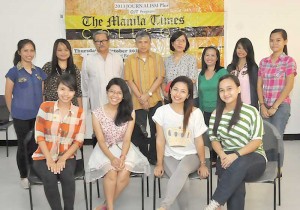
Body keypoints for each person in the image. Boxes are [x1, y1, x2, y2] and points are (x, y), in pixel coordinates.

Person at [86, 78, 150, 210]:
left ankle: (105, 205)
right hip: (105, 149)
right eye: (112, 92)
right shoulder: (96, 113)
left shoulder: (129, 112)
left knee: (123, 174)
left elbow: (127, 139)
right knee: (111, 173)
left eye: (119, 93)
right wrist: (112, 158)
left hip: (124, 148)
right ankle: (110, 208)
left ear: (124, 95)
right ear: (107, 92)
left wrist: (122, 157)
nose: (115, 96)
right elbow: (101, 141)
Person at [205, 74, 266, 210]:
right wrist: (222, 154)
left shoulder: (251, 111)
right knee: (235, 180)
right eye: (221, 90)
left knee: (238, 165)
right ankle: (217, 203)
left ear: (238, 89)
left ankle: (216, 202)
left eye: (229, 89)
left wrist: (236, 155)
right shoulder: (216, 114)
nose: (225, 93)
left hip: (254, 157)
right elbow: (214, 139)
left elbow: (256, 141)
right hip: (226, 157)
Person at [153, 76, 209, 210]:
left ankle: (163, 206)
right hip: (169, 156)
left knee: (182, 171)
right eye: (175, 89)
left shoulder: (196, 113)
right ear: (170, 90)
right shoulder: (161, 111)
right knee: (183, 183)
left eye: (183, 91)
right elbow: (160, 140)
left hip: (190, 156)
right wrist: (159, 163)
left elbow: (199, 140)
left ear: (188, 95)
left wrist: (203, 164)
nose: (178, 94)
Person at [32, 74, 85, 210]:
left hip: (67, 155)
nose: (66, 94)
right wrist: (49, 159)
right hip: (43, 155)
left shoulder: (80, 113)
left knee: (68, 178)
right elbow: (39, 136)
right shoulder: (45, 107)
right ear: (56, 89)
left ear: (74, 92)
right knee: (49, 179)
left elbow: (78, 141)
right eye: (62, 89)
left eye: (70, 90)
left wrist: (62, 159)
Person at [5, 39, 47, 189]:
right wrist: (13, 111)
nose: (29, 54)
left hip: (37, 116)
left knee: (35, 145)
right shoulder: (14, 71)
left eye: (31, 50)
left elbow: (42, 94)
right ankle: (24, 175)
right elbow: (8, 94)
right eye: (25, 51)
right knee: (23, 146)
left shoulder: (39, 71)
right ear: (19, 52)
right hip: (20, 116)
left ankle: (34, 172)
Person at [124, 30, 165, 165]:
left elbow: (160, 78)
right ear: (135, 43)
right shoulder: (130, 59)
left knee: (156, 130)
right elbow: (129, 80)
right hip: (137, 101)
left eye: (145, 42)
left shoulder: (157, 58)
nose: (143, 45)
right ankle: (142, 157)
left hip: (155, 100)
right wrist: (141, 98)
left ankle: (153, 157)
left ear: (150, 43)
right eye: (140, 42)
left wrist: (148, 95)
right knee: (139, 131)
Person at [257, 29, 297, 140]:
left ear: (285, 41)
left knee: (276, 138)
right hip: (265, 106)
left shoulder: (289, 61)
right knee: (265, 139)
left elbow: (289, 85)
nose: (274, 43)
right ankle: (267, 159)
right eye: (271, 40)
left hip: (281, 105)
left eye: (278, 40)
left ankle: (277, 158)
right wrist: (262, 105)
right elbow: (259, 85)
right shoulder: (263, 62)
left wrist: (275, 106)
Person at [81, 30, 124, 111]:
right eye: (98, 41)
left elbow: (122, 79)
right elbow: (85, 82)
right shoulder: (88, 60)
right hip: (96, 103)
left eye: (104, 40)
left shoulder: (118, 58)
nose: (101, 43)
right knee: (96, 123)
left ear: (108, 41)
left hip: (116, 103)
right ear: (94, 43)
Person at [162, 31, 198, 106]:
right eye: (177, 40)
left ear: (186, 44)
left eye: (183, 41)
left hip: (188, 98)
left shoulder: (191, 59)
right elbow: (164, 80)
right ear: (172, 43)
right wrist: (164, 92)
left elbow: (193, 79)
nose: (180, 43)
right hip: (171, 98)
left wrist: (179, 91)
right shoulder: (167, 60)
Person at [43, 38, 82, 107]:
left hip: (71, 109)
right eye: (60, 50)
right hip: (51, 108)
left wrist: (81, 110)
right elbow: (43, 91)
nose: (63, 52)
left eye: (66, 50)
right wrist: (43, 107)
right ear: (55, 52)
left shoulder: (74, 69)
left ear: (70, 51)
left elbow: (78, 92)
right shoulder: (48, 67)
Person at [198, 46, 228, 126]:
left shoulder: (222, 72)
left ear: (217, 58)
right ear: (203, 57)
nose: (209, 58)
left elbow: (227, 92)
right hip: (206, 113)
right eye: (207, 55)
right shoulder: (201, 74)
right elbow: (200, 95)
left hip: (221, 111)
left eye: (213, 55)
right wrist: (200, 113)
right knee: (208, 137)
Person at [227, 38, 259, 109]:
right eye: (239, 48)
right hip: (232, 105)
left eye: (244, 48)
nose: (241, 51)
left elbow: (256, 87)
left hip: (248, 106)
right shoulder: (230, 67)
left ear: (249, 50)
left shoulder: (253, 67)